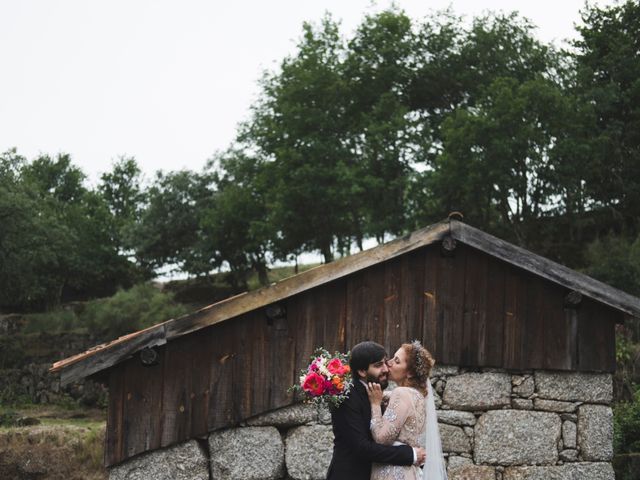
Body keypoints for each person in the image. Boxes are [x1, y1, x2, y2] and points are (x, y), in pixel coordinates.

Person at [326, 341, 426, 480]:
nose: (386, 368)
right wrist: (411, 455)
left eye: (385, 362)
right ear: (362, 371)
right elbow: (361, 447)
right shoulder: (347, 397)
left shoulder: (381, 396)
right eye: (378, 365)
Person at [367, 341, 447, 480]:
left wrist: (375, 404)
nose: (389, 363)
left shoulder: (402, 393)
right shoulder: (418, 397)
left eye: (396, 361)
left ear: (409, 373)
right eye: (392, 358)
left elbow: (381, 438)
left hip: (393, 472)